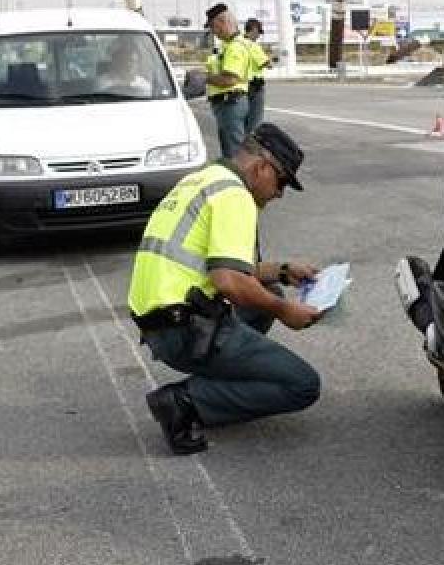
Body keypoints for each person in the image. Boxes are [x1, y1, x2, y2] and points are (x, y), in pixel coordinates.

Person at [128, 123, 323, 455]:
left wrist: (284, 270)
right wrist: (286, 312)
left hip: (160, 321)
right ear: (262, 167)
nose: (279, 193)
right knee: (302, 385)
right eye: (282, 182)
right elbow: (229, 283)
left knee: (271, 291)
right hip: (185, 329)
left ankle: (231, 375)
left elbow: (224, 267)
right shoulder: (235, 196)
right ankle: (184, 402)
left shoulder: (203, 181)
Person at [204, 3, 252, 157]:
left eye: (212, 26)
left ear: (221, 22)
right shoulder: (230, 45)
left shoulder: (235, 47)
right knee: (231, 149)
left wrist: (203, 78)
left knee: (234, 153)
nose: (213, 31)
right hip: (229, 103)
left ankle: (238, 179)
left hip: (230, 103)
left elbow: (229, 79)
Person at [243, 18, 270, 132]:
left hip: (242, 85)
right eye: (259, 32)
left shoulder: (238, 43)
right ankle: (251, 145)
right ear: (253, 30)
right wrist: (270, 59)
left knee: (244, 119)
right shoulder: (252, 45)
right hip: (255, 85)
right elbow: (266, 63)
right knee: (255, 122)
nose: (259, 35)